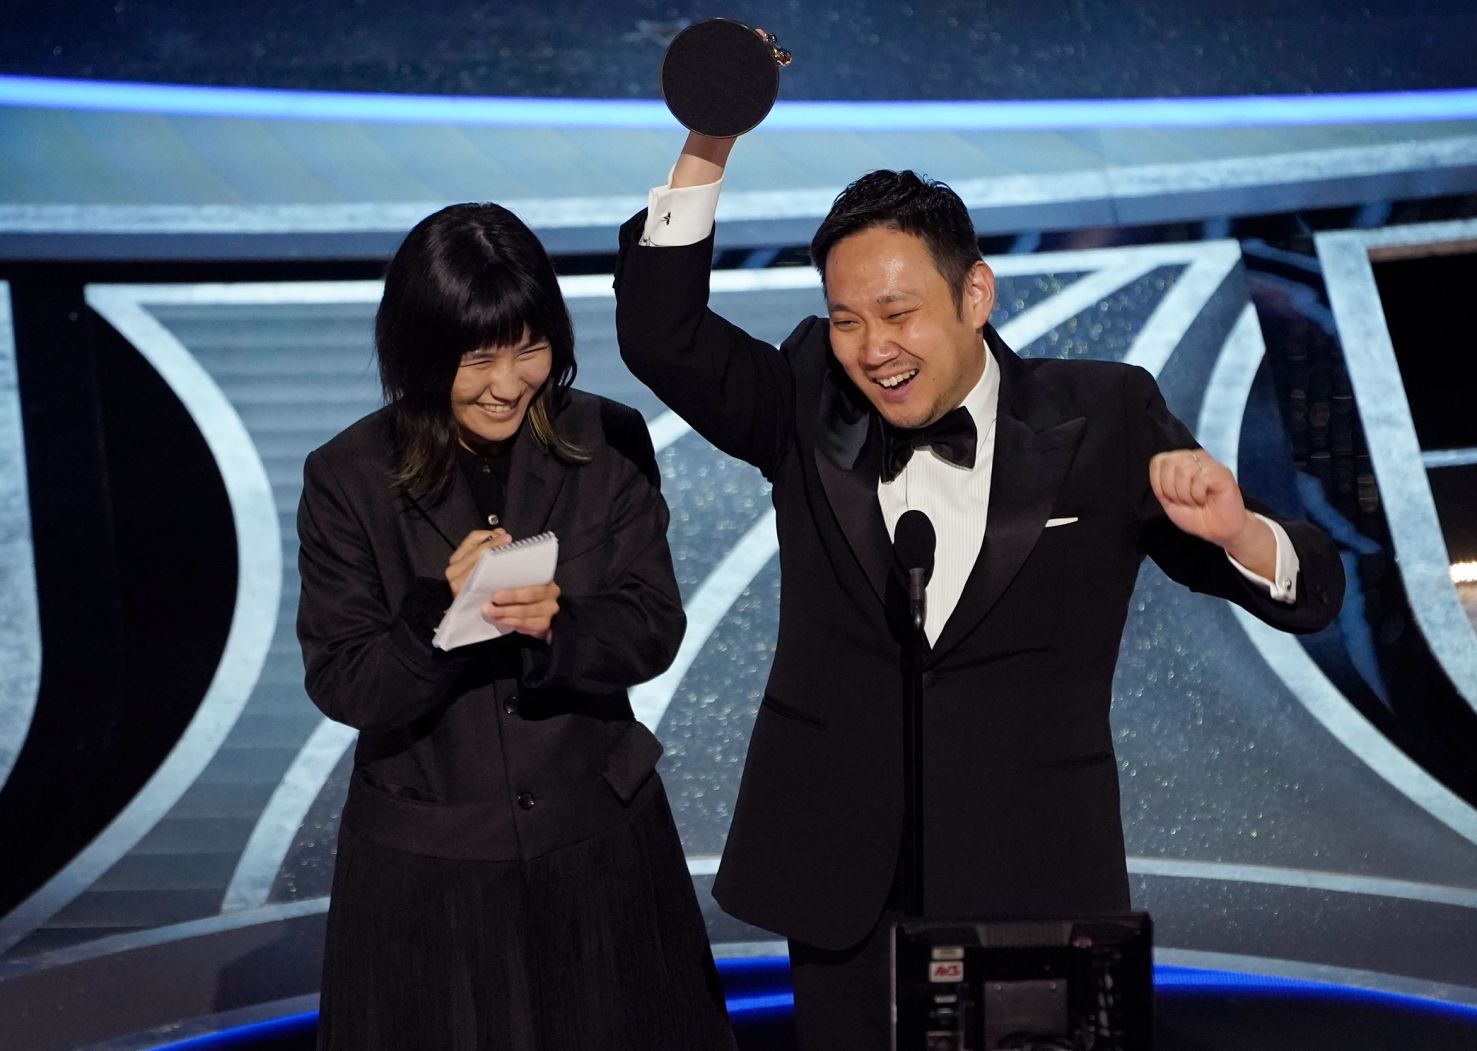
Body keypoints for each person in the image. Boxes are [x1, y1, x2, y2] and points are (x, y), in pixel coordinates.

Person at [613, 132, 1344, 1048]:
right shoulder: (806, 395)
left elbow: (1313, 591)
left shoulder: (1104, 416)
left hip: (1035, 880)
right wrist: (710, 139)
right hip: (844, 886)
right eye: (846, 320)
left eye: (897, 313)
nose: (873, 349)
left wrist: (1240, 532)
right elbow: (658, 331)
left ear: (975, 293)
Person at [297, 202, 735, 1051]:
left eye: (529, 349)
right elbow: (344, 679)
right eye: (477, 357)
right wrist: (434, 611)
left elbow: (653, 625)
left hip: (601, 854)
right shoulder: (346, 478)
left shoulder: (607, 438)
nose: (507, 382)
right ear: (421, 353)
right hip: (429, 879)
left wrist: (559, 625)